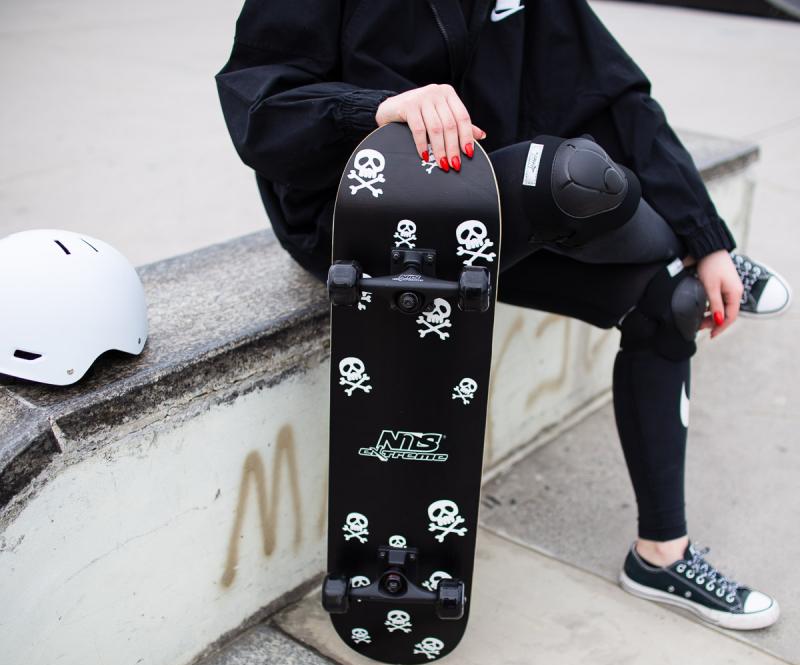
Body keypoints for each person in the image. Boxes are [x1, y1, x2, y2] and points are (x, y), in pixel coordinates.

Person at [215, 0, 790, 630]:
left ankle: (660, 557)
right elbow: (259, 106)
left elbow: (613, 90)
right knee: (569, 175)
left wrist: (707, 240)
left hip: (482, 196)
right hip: (356, 213)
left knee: (671, 302)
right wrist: (377, 109)